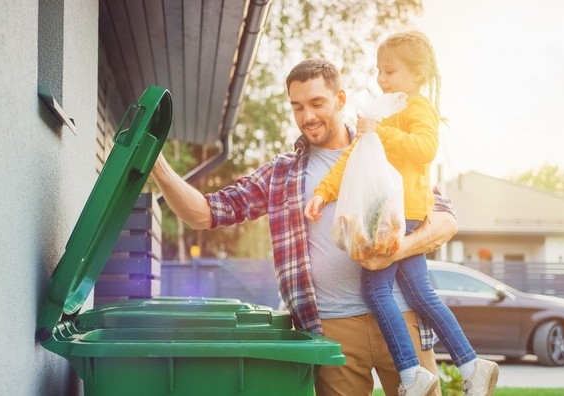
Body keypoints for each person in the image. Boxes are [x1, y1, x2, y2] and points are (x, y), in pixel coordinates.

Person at [150, 58, 457, 396]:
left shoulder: (387, 149)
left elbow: (444, 221)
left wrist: (396, 251)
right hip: (333, 328)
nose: (307, 116)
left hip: (402, 315)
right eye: (297, 107)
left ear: (340, 100)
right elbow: (206, 214)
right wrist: (159, 166)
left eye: (317, 103)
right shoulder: (282, 174)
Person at [304, 31, 499, 396]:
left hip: (402, 212)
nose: (382, 78)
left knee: (376, 291)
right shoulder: (386, 109)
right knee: (422, 294)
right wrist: (322, 191)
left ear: (418, 73)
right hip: (394, 211)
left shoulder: (416, 106)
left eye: (390, 71)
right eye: (379, 70)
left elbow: (426, 148)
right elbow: (352, 157)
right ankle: (472, 364)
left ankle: (412, 373)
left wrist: (381, 133)